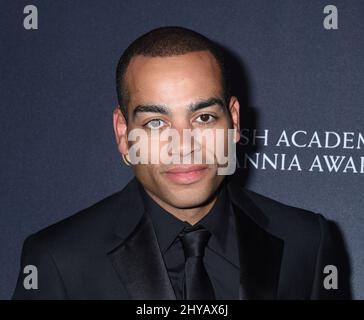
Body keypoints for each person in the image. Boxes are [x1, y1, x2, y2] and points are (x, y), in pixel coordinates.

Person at [13, 26, 345, 299]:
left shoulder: (306, 241)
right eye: (156, 123)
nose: (183, 146)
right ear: (122, 132)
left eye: (203, 117)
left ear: (233, 121)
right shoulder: (59, 259)